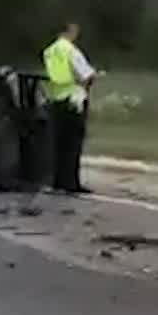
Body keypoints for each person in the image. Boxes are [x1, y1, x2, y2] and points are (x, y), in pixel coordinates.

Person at [41, 20, 98, 194]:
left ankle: (57, 181)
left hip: (56, 100)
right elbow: (87, 74)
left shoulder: (49, 52)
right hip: (74, 99)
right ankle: (71, 182)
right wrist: (92, 79)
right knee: (73, 145)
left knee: (58, 143)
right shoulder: (70, 50)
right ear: (70, 31)